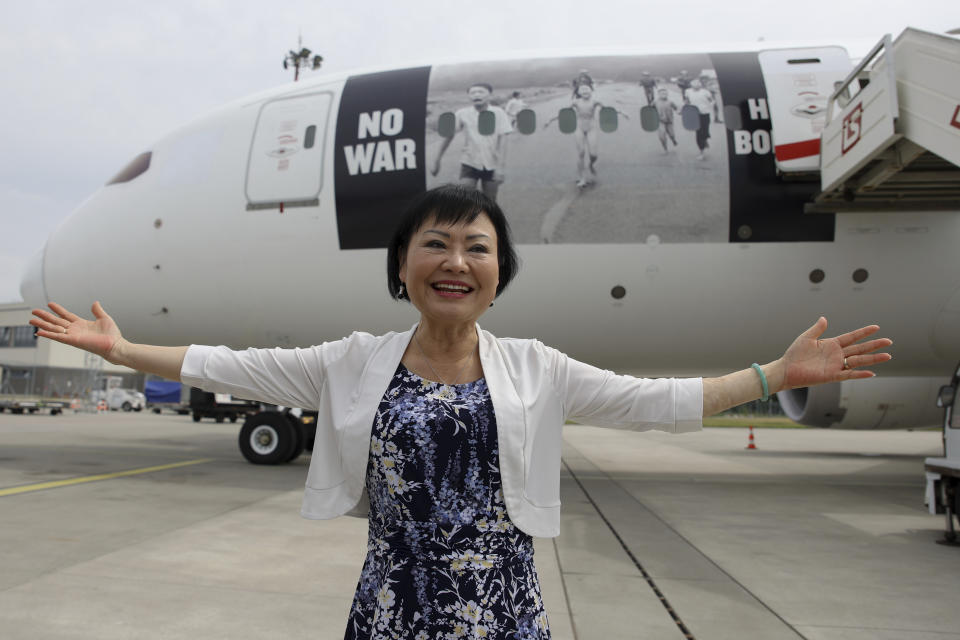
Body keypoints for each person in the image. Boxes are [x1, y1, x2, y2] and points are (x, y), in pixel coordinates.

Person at [30, 185, 892, 640]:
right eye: (434, 243)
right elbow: (230, 363)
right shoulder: (352, 361)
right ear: (402, 265)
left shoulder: (535, 369)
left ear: (497, 272)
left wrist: (772, 373)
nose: (455, 260)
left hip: (503, 610)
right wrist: (123, 351)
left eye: (476, 247)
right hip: (392, 607)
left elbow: (654, 403)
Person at [432, 83, 512, 200]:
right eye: (473, 93)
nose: (476, 95)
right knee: (466, 198)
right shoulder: (462, 113)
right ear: (469, 96)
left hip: (491, 164)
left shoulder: (498, 113)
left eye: (481, 92)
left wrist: (500, 168)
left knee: (490, 201)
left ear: (490, 95)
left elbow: (503, 140)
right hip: (469, 162)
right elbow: (448, 136)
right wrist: (437, 160)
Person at [543, 82, 630, 188]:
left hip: (591, 128)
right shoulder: (575, 102)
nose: (585, 92)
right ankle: (582, 178)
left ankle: (591, 165)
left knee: (593, 154)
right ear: (579, 93)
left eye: (587, 90)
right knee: (581, 153)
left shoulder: (595, 101)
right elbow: (564, 112)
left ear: (591, 91)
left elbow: (608, 110)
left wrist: (622, 112)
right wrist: (550, 120)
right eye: (583, 90)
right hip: (579, 127)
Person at [686, 79, 715, 160]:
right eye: (694, 83)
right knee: (699, 133)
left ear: (700, 84)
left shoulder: (705, 92)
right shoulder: (688, 91)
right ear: (691, 85)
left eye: (698, 83)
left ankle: (705, 140)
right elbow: (687, 102)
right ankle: (702, 152)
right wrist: (685, 110)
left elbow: (712, 101)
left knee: (705, 132)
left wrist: (709, 107)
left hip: (705, 114)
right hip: (695, 115)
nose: (697, 85)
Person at [654, 86, 680, 153]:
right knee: (662, 136)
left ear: (667, 94)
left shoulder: (670, 102)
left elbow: (676, 108)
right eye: (662, 93)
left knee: (671, 134)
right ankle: (665, 149)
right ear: (658, 94)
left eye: (665, 93)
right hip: (660, 121)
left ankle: (673, 140)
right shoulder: (655, 102)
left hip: (669, 121)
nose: (664, 95)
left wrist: (678, 112)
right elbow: (650, 110)